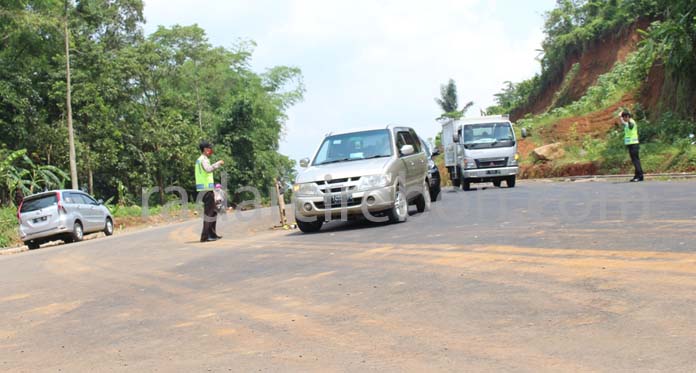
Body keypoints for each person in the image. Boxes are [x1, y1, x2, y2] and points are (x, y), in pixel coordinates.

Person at [195, 141, 224, 242]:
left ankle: (212, 234)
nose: (210, 150)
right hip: (206, 190)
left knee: (213, 212)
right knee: (209, 214)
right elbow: (208, 169)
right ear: (205, 149)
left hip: (205, 189)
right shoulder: (203, 160)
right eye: (208, 148)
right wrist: (218, 164)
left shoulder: (201, 159)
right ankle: (205, 237)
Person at [619, 110, 643, 182]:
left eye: (624, 118)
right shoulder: (627, 122)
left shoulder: (631, 122)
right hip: (631, 144)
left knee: (636, 161)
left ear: (627, 117)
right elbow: (623, 122)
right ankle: (637, 175)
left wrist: (628, 120)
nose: (623, 120)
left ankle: (639, 176)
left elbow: (630, 126)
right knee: (635, 160)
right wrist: (620, 116)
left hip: (634, 144)